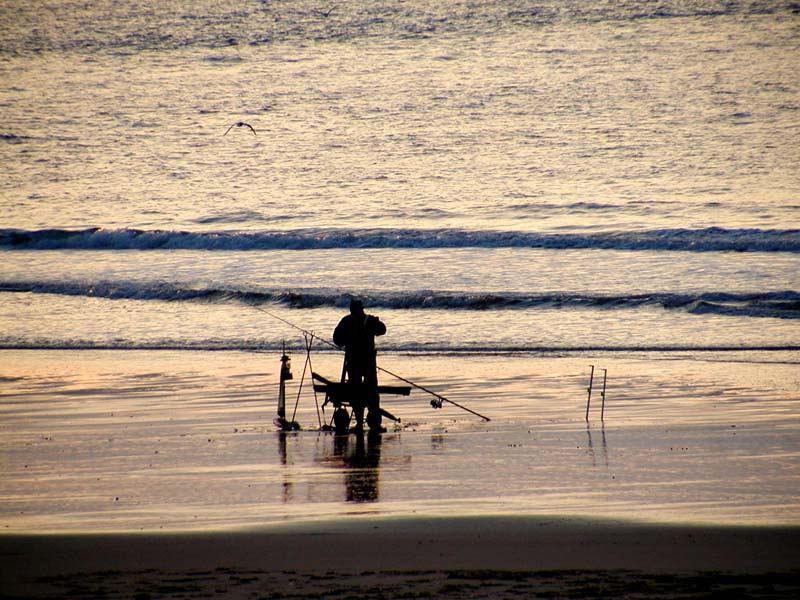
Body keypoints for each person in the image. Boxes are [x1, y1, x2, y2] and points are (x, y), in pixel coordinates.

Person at [333, 299, 386, 429]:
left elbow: (336, 339)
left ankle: (359, 422)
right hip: (368, 361)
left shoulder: (346, 321)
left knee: (355, 390)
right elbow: (383, 330)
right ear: (362, 308)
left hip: (353, 361)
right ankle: (374, 418)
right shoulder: (370, 320)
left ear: (351, 310)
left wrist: (346, 341)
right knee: (372, 389)